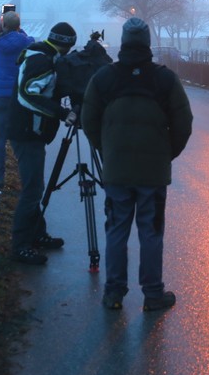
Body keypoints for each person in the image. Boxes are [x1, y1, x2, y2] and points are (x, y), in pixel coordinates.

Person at [81, 17, 193, 311]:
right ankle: (153, 294)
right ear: (148, 42)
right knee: (151, 232)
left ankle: (114, 293)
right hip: (153, 173)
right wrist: (166, 154)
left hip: (117, 170)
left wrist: (107, 150)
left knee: (116, 229)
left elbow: (88, 120)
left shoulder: (104, 78)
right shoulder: (164, 79)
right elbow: (184, 123)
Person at [7, 21, 78, 265]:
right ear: (67, 46)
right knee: (32, 190)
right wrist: (61, 113)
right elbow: (27, 94)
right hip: (26, 133)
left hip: (29, 131)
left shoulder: (44, 56)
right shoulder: (43, 60)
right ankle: (21, 245)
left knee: (35, 186)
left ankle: (37, 234)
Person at [0, 10, 34, 190]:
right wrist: (20, 31)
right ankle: (25, 176)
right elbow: (29, 42)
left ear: (3, 25)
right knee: (21, 136)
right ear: (19, 26)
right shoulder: (26, 42)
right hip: (18, 95)